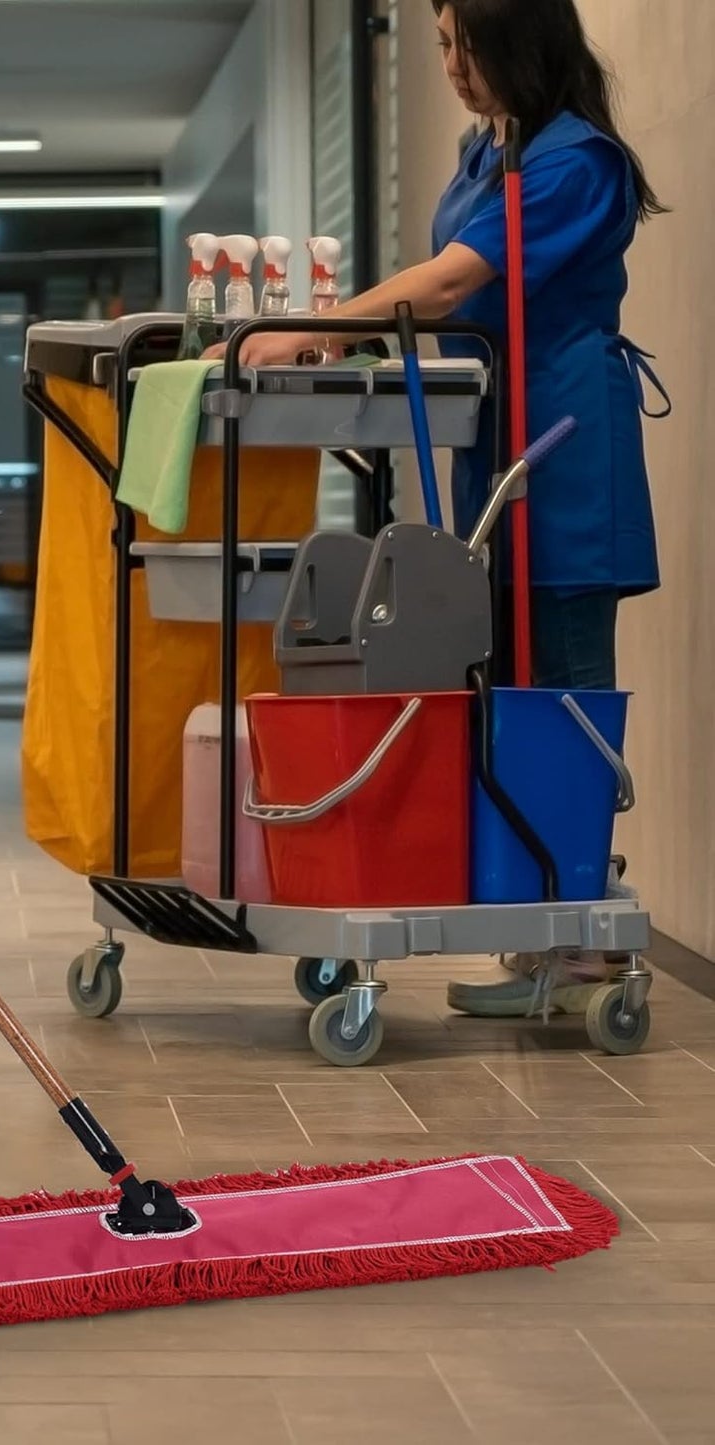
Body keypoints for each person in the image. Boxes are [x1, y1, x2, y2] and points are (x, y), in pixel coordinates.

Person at [211, 0, 668, 1020]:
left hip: (562, 450)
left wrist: (318, 328)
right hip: (491, 445)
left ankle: (580, 941)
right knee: (504, 679)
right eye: (441, 47)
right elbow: (446, 283)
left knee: (560, 685)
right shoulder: (487, 153)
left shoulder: (572, 163)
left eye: (467, 46)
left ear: (524, 44)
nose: (453, 68)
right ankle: (538, 926)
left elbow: (460, 278)